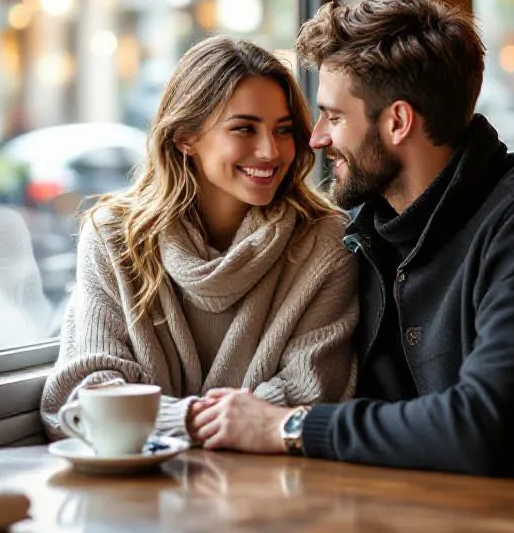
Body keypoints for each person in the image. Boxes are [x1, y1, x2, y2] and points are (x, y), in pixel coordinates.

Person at [189, 0, 514, 498]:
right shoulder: (357, 230)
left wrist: (288, 426)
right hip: (424, 530)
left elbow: (484, 430)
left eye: (334, 117)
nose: (316, 139)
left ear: (397, 121)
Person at [41, 37, 359, 439]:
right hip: (139, 488)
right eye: (244, 128)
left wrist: (158, 421)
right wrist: (192, 421)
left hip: (272, 487)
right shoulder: (114, 238)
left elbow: (309, 395)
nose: (270, 151)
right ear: (184, 137)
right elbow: (85, 394)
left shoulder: (327, 242)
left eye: (283, 130)